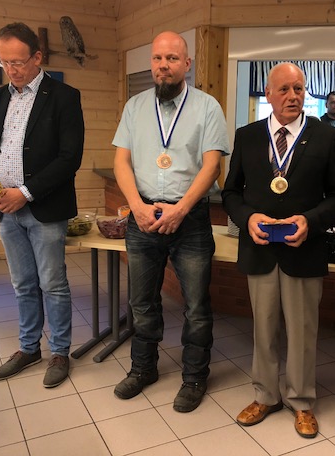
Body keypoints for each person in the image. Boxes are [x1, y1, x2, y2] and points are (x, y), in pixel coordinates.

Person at [222, 63, 335, 438]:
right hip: (260, 248)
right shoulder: (247, 136)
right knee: (263, 329)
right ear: (268, 94)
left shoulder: (325, 136)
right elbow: (230, 192)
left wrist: (310, 220)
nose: (293, 96)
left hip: (304, 249)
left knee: (303, 331)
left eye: (299, 89)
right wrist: (247, 218)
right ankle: (265, 396)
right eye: (284, 89)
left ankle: (302, 401)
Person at [111, 31, 230, 413]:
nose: (164, 65)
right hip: (143, 217)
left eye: (172, 59)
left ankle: (194, 377)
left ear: (187, 64)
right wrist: (136, 207)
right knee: (142, 302)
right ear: (152, 63)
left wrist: (180, 210)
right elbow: (121, 161)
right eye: (158, 58)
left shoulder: (208, 107)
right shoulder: (134, 107)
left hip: (189, 219)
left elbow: (212, 165)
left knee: (196, 306)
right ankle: (143, 369)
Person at [0, 22, 85, 388]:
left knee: (52, 283)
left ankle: (59, 352)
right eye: (4, 62)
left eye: (18, 62)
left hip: (45, 209)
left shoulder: (64, 97)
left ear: (37, 57)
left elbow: (69, 158)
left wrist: (23, 193)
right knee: (22, 283)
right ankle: (28, 349)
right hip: (6, 210)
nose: (11, 69)